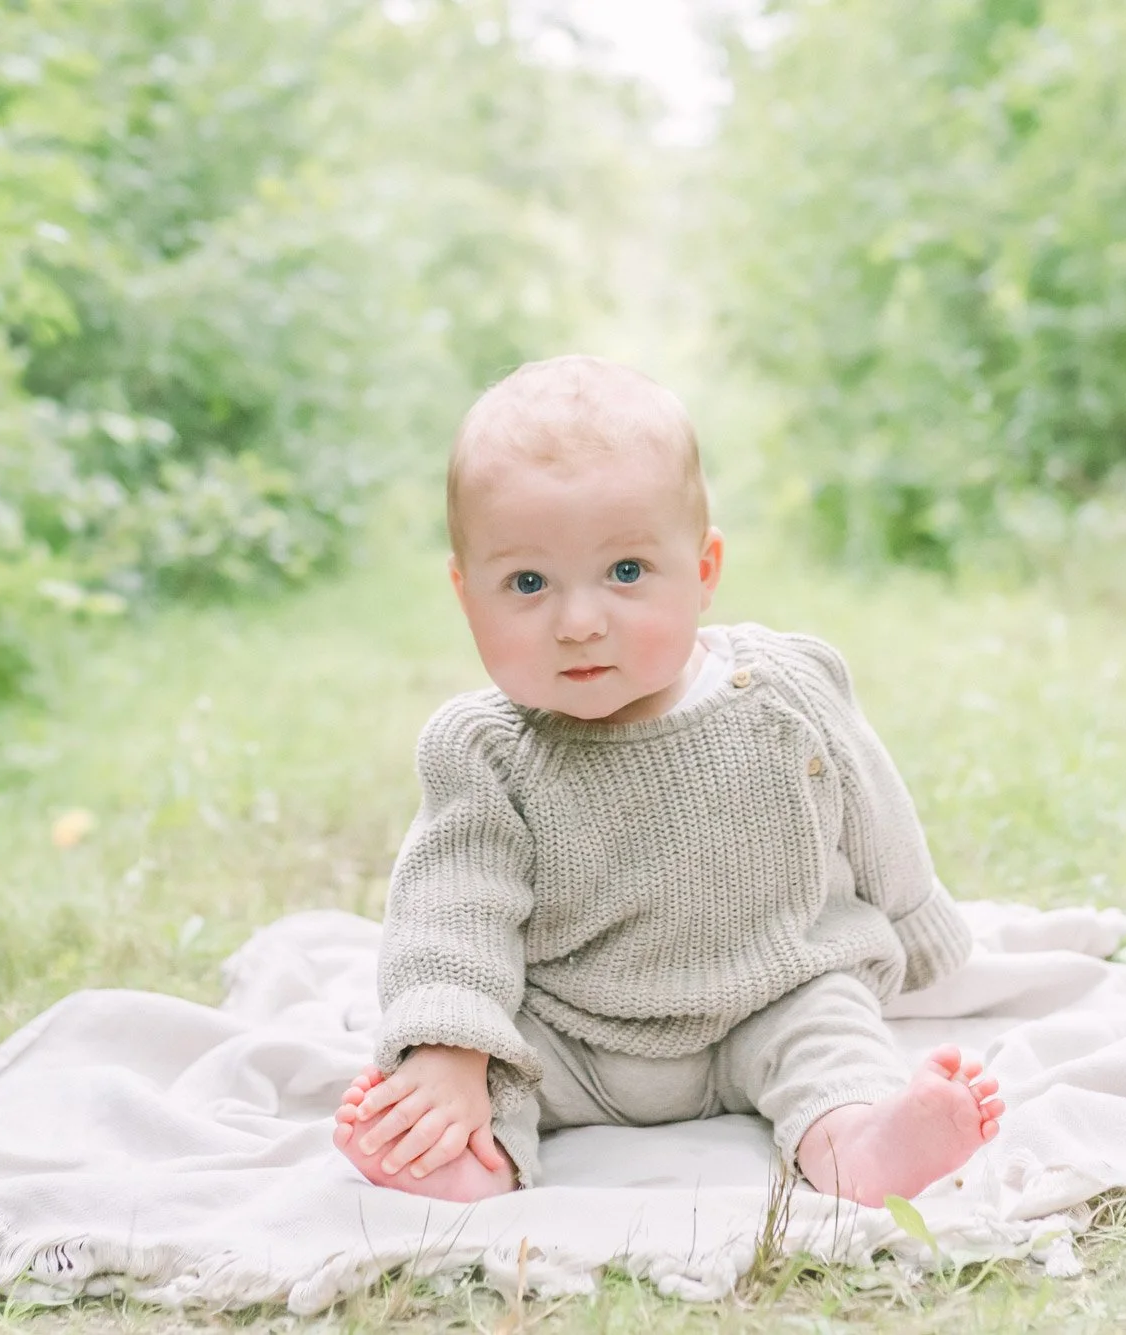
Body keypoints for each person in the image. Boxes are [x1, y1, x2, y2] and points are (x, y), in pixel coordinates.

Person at [332, 355, 1002, 1204]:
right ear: (467, 596)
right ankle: (468, 1157)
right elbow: (452, 912)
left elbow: (874, 805)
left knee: (831, 1028)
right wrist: (449, 1047)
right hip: (574, 1028)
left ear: (705, 570)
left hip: (774, 991)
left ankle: (858, 1140)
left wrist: (916, 923)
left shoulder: (784, 689)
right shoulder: (485, 749)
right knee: (497, 1067)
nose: (579, 622)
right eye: (528, 583)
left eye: (626, 573)